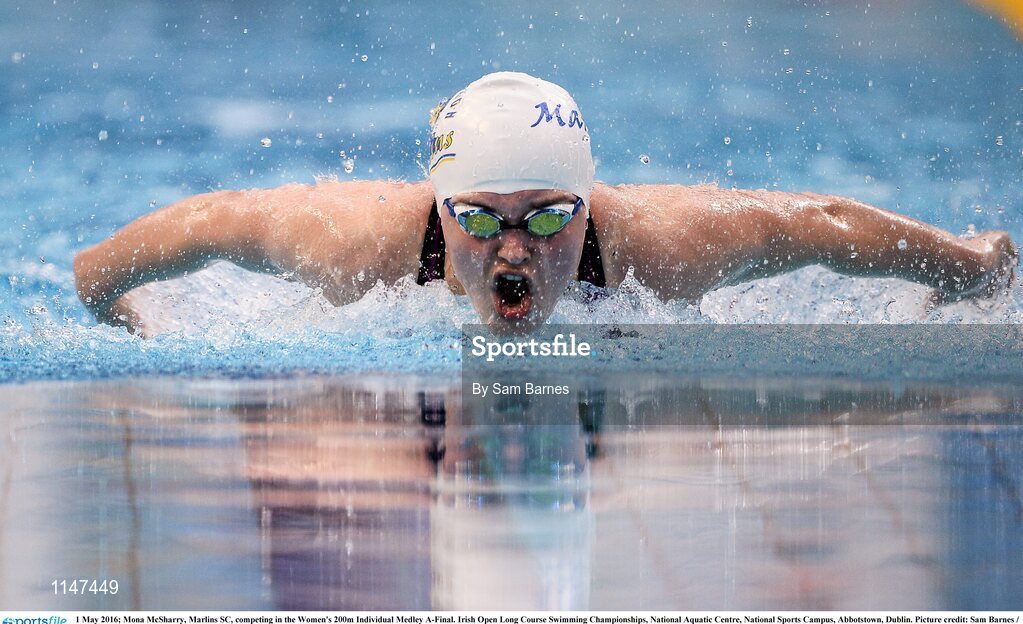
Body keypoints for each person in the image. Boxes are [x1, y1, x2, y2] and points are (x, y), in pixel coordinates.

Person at [74, 72, 1018, 336]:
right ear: (440, 210)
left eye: (548, 214)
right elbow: (200, 227)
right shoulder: (354, 244)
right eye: (481, 217)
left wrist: (969, 267)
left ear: (587, 201)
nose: (514, 248)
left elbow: (817, 226)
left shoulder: (663, 244)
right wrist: (108, 301)